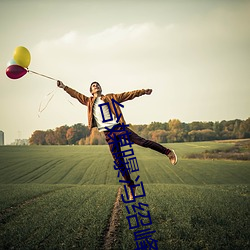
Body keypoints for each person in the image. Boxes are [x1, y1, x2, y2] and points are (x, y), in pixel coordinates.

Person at [57, 80, 177, 199]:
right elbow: (75, 94)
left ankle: (168, 152)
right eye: (93, 86)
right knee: (119, 161)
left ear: (100, 88)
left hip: (119, 127)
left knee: (142, 142)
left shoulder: (110, 97)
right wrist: (63, 87)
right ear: (91, 91)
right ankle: (132, 186)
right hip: (108, 134)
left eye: (97, 84)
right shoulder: (88, 101)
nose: (96, 86)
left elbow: (128, 95)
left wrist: (143, 92)